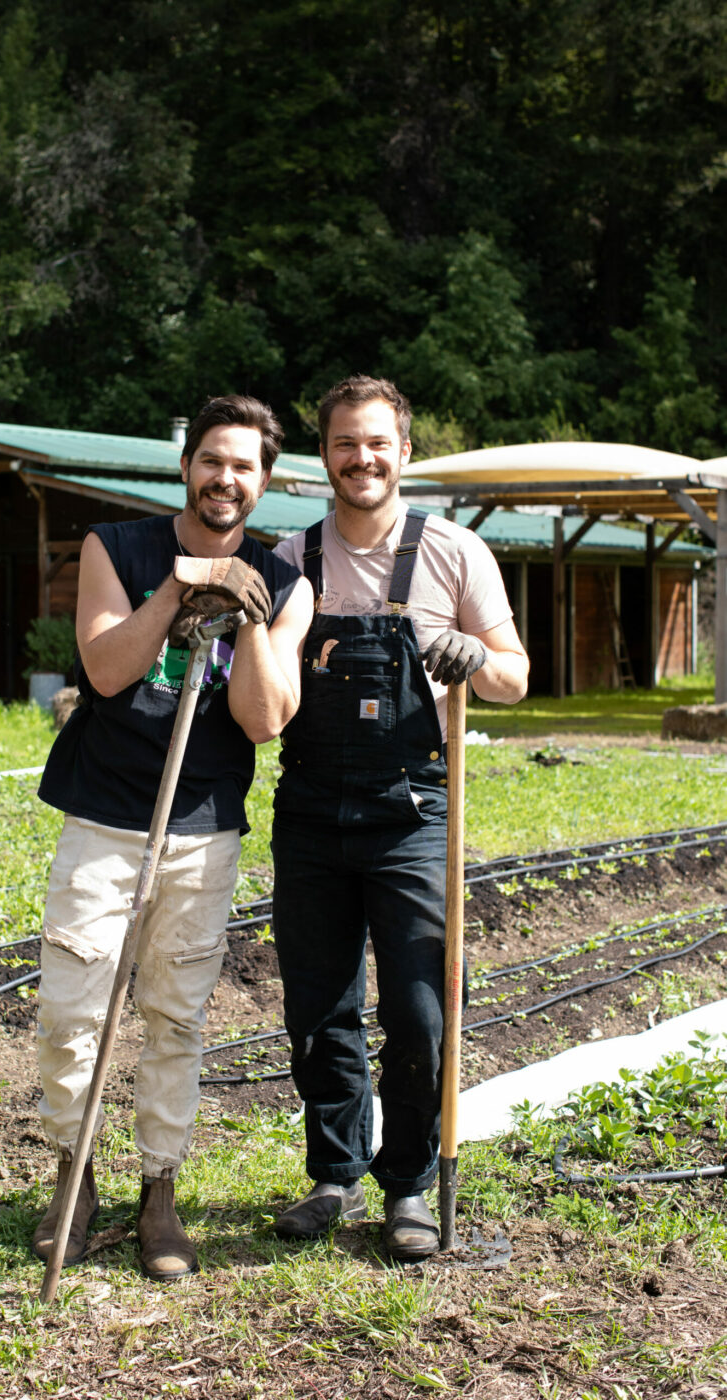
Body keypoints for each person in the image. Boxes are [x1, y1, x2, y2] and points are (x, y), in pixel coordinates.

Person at [33, 394, 314, 1280]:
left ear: (264, 481)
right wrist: (179, 590)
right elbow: (106, 670)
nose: (225, 478)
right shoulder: (115, 547)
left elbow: (264, 720)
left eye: (244, 466)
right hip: (104, 816)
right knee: (72, 1011)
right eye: (212, 460)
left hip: (202, 827)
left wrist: (249, 616)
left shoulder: (287, 580)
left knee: (175, 1016)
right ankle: (73, 1178)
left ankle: (160, 1188)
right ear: (186, 465)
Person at [270, 375, 528, 1260]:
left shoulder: (455, 552)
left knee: (420, 1010)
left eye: (378, 442)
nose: (362, 458)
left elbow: (515, 677)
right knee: (319, 1007)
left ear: (404, 451)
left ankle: (408, 1184)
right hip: (310, 808)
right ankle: (334, 1174)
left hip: (414, 812)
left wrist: (475, 656)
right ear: (324, 455)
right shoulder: (290, 557)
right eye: (345, 443)